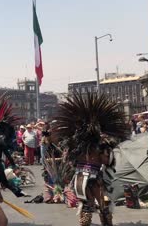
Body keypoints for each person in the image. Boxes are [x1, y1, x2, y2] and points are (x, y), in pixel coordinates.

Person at [55, 92, 129, 226]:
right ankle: (106, 222)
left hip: (79, 177)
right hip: (94, 177)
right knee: (102, 204)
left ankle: (87, 221)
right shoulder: (100, 147)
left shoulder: (76, 147)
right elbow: (107, 162)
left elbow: (69, 160)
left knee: (86, 204)